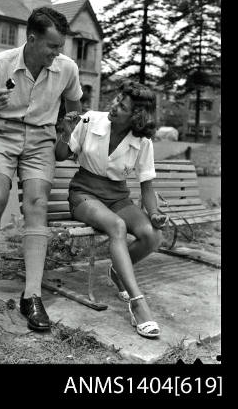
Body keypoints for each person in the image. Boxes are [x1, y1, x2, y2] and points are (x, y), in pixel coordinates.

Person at [0, 6, 83, 332]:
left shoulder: (66, 69)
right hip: (1, 137)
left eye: (60, 47)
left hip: (41, 143)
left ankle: (32, 295)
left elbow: (75, 108)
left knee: (37, 205)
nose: (57, 53)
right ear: (32, 39)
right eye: (52, 46)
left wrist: (67, 129)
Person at [55, 81, 168, 339]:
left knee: (152, 235)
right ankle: (138, 304)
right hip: (84, 194)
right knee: (117, 226)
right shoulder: (90, 120)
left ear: (136, 117)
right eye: (117, 100)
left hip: (117, 197)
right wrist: (65, 131)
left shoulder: (142, 142)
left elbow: (147, 187)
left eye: (123, 106)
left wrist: (154, 213)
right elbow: (60, 154)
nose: (114, 106)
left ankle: (117, 270)